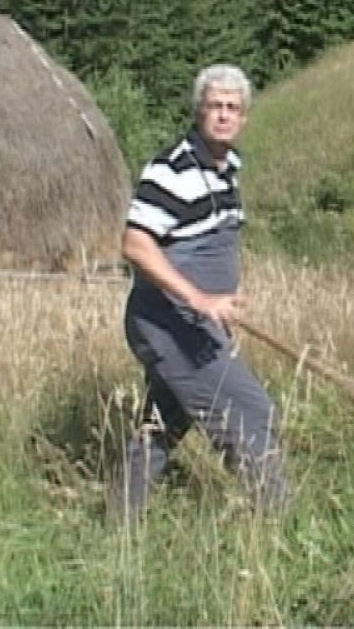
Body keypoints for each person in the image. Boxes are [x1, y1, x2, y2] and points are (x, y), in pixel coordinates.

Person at [110, 64, 289, 523]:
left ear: (244, 117)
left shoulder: (228, 171)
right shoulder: (173, 169)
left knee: (162, 424)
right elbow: (136, 244)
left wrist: (221, 298)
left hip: (196, 325)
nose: (223, 115)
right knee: (251, 412)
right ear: (198, 111)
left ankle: (119, 523)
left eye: (232, 108)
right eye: (214, 106)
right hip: (170, 323)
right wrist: (200, 299)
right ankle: (275, 525)